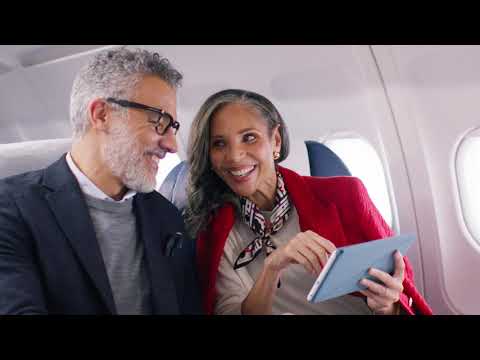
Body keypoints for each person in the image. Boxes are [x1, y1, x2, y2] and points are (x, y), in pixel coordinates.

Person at [185, 89, 433, 315]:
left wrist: (386, 305)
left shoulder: (344, 196)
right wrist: (272, 268)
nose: (235, 156)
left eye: (249, 138)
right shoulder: (216, 231)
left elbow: (396, 292)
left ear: (276, 141)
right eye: (219, 144)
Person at [0, 47, 202, 314]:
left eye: (173, 128)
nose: (172, 145)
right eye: (159, 121)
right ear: (101, 115)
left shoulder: (167, 217)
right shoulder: (12, 210)